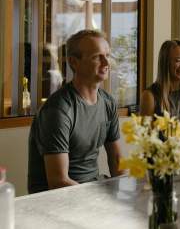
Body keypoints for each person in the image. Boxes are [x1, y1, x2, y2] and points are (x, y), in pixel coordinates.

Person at [28, 30, 123, 193]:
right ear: (74, 62)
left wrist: (127, 194)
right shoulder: (58, 110)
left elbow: (116, 161)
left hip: (93, 189)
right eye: (97, 57)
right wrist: (101, 201)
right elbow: (59, 182)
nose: (106, 62)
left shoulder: (108, 103)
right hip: (57, 201)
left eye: (107, 55)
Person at [141, 40, 180, 157]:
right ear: (165, 63)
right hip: (160, 166)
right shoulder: (149, 96)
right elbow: (146, 143)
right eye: (178, 60)